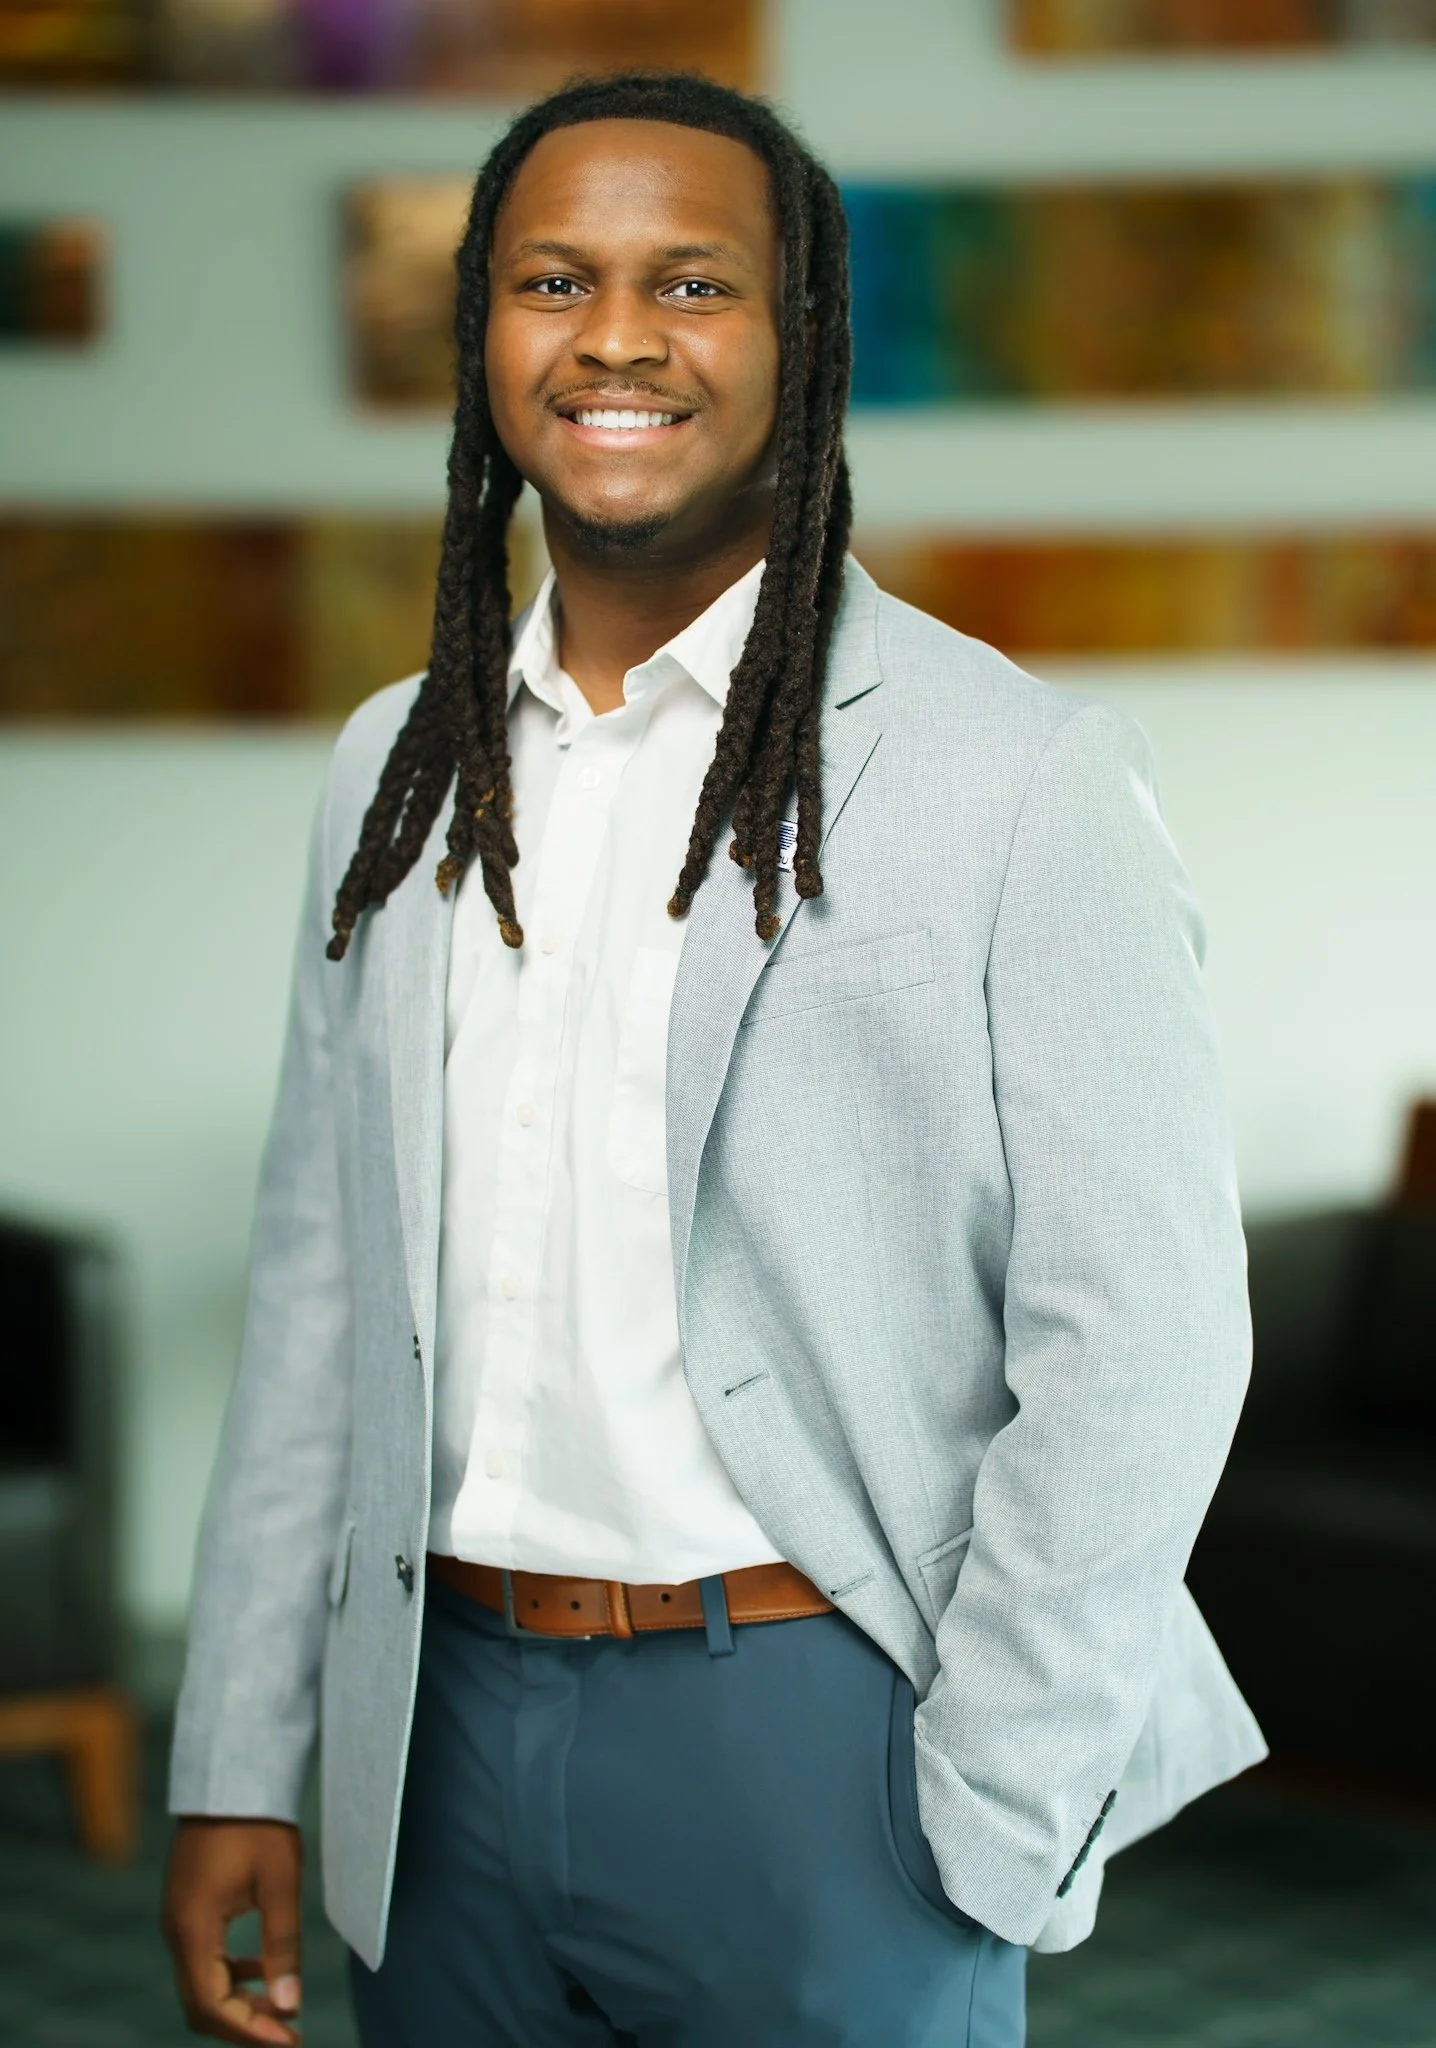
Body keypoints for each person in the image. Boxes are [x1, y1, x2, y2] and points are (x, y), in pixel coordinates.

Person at [161, 70, 1264, 2048]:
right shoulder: (393, 768)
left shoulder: (1019, 777)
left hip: (825, 1730)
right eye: (551, 280)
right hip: (434, 1728)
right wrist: (242, 1748)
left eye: (692, 283)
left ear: (802, 336)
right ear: (482, 332)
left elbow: (1144, 1336)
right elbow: (322, 1288)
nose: (614, 337)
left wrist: (995, 1800)